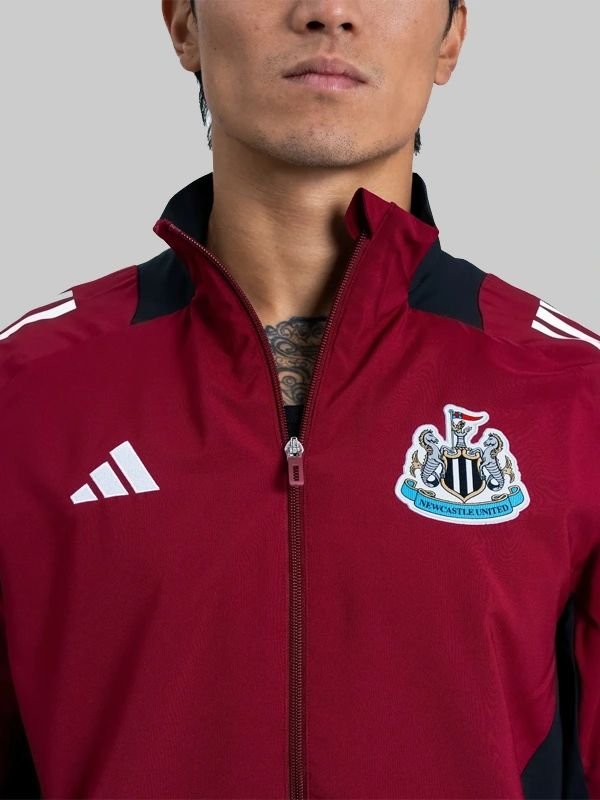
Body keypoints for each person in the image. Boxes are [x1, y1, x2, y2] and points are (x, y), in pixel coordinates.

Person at [0, 1, 598, 797]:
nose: (329, 12)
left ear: (450, 37)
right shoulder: (25, 393)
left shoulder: (575, 397)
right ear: (184, 25)